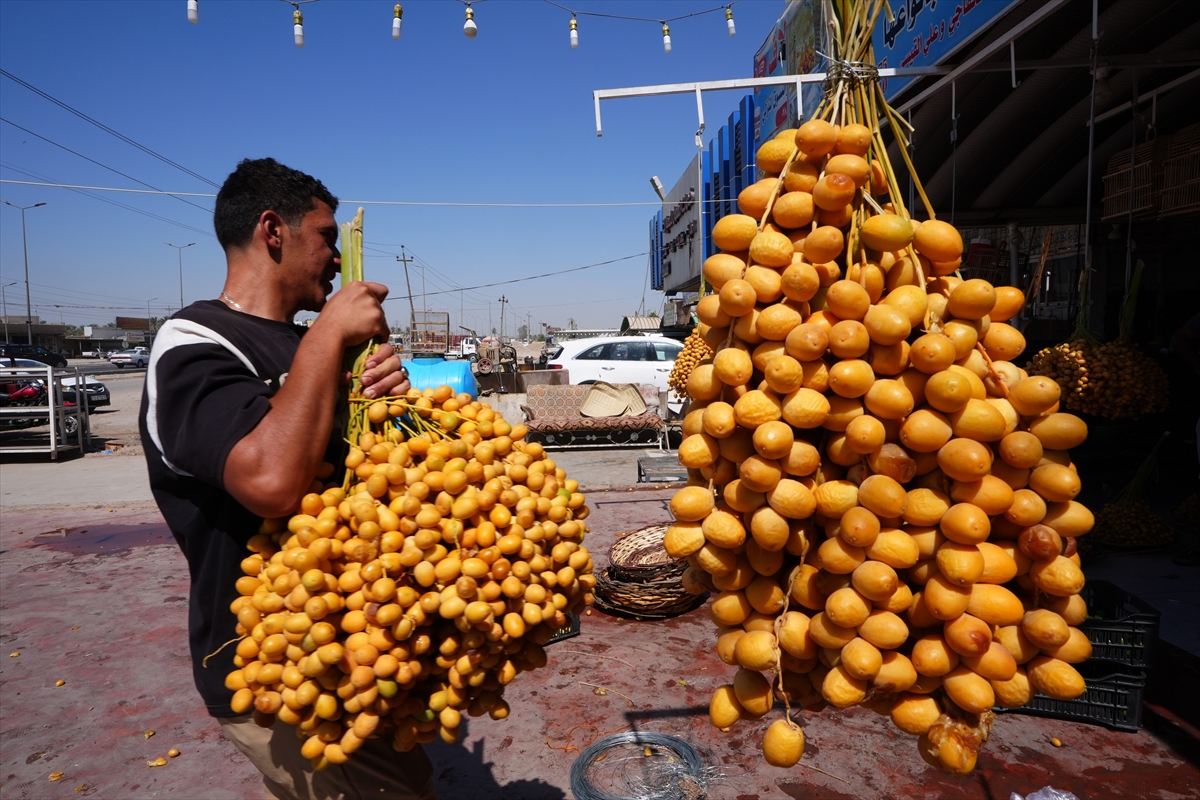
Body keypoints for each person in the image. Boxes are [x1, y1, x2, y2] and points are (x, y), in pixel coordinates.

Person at [139, 158, 437, 800]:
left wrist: (383, 400)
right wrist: (329, 336)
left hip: (360, 649)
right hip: (281, 666)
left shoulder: (304, 344)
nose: (338, 257)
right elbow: (272, 483)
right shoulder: (193, 342)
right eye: (326, 236)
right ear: (273, 230)